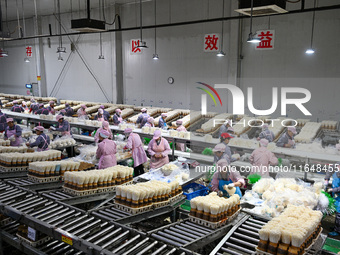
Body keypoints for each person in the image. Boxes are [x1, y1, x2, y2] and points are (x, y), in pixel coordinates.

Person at [325, 163, 340, 236]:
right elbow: (330, 170)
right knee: (337, 212)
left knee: (339, 215)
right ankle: (336, 227)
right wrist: (326, 179)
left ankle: (337, 231)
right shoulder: (336, 166)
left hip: (339, 195)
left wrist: (333, 190)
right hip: (337, 196)